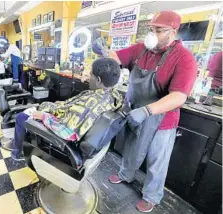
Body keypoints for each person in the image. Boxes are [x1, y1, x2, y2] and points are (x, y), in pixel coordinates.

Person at [94, 11, 197, 212]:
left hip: (162, 119)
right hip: (134, 112)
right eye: (152, 28)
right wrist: (104, 52)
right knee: (132, 148)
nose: (153, 33)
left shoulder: (184, 58)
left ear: (173, 32)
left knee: (157, 160)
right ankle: (125, 174)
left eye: (159, 30)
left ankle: (152, 195)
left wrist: (147, 111)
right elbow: (116, 59)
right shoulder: (142, 49)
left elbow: (179, 97)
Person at [10, 58, 123, 161]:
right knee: (39, 107)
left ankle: (17, 153)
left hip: (63, 138)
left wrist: (44, 116)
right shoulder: (113, 96)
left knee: (21, 117)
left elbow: (68, 132)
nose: (88, 77)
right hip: (63, 115)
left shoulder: (90, 105)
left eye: (90, 74)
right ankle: (26, 140)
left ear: (98, 80)